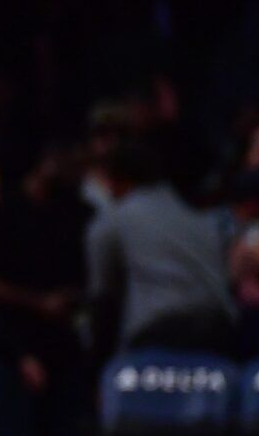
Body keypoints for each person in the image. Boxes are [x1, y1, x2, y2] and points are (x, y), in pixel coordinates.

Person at [86, 135, 235, 355]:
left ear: (119, 181)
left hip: (159, 336)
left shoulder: (113, 217)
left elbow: (103, 303)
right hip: (221, 335)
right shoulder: (197, 217)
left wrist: (97, 372)